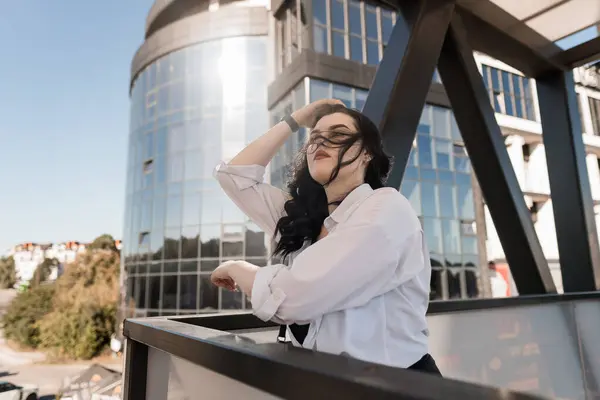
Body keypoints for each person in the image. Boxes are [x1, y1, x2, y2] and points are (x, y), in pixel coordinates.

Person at [211, 99, 441, 374]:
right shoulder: (303, 218)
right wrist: (297, 119)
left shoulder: (386, 210)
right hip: (327, 383)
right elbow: (235, 177)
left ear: (367, 153)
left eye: (338, 136)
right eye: (315, 139)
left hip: (397, 387)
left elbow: (290, 298)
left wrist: (236, 267)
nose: (320, 144)